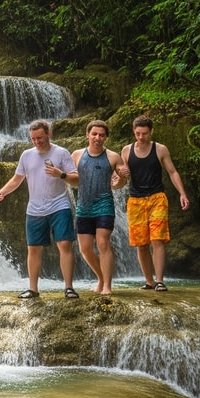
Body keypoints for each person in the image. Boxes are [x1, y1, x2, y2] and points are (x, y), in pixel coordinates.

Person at [0, 120, 78, 299]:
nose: (37, 141)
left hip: (59, 205)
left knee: (64, 244)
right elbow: (17, 179)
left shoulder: (61, 153)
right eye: (33, 139)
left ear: (48, 134)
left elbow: (76, 179)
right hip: (35, 209)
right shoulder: (26, 155)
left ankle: (69, 287)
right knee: (33, 248)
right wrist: (1, 193)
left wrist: (60, 174)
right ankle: (33, 289)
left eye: (40, 137)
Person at [125, 115, 190, 291]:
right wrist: (117, 179)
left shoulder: (160, 149)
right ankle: (149, 281)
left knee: (157, 239)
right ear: (134, 132)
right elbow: (123, 176)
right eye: (138, 133)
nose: (141, 137)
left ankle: (159, 280)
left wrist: (182, 194)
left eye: (144, 133)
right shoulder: (126, 151)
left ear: (151, 132)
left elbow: (172, 172)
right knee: (141, 243)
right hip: (135, 201)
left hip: (157, 198)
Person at [72, 120, 129, 295]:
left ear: (106, 137)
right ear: (87, 134)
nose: (97, 138)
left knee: (103, 243)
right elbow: (72, 179)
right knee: (85, 248)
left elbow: (120, 182)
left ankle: (107, 286)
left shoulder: (113, 157)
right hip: (83, 206)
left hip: (104, 205)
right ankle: (101, 278)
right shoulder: (76, 155)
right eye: (94, 134)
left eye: (101, 135)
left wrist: (122, 177)